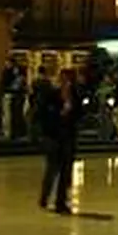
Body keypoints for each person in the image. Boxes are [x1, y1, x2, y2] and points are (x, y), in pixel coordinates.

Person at [38, 68, 80, 214]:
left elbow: (79, 114)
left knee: (65, 170)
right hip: (53, 136)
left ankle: (60, 201)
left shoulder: (75, 95)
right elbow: (43, 114)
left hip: (68, 136)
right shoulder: (51, 94)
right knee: (52, 168)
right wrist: (59, 114)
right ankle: (45, 196)